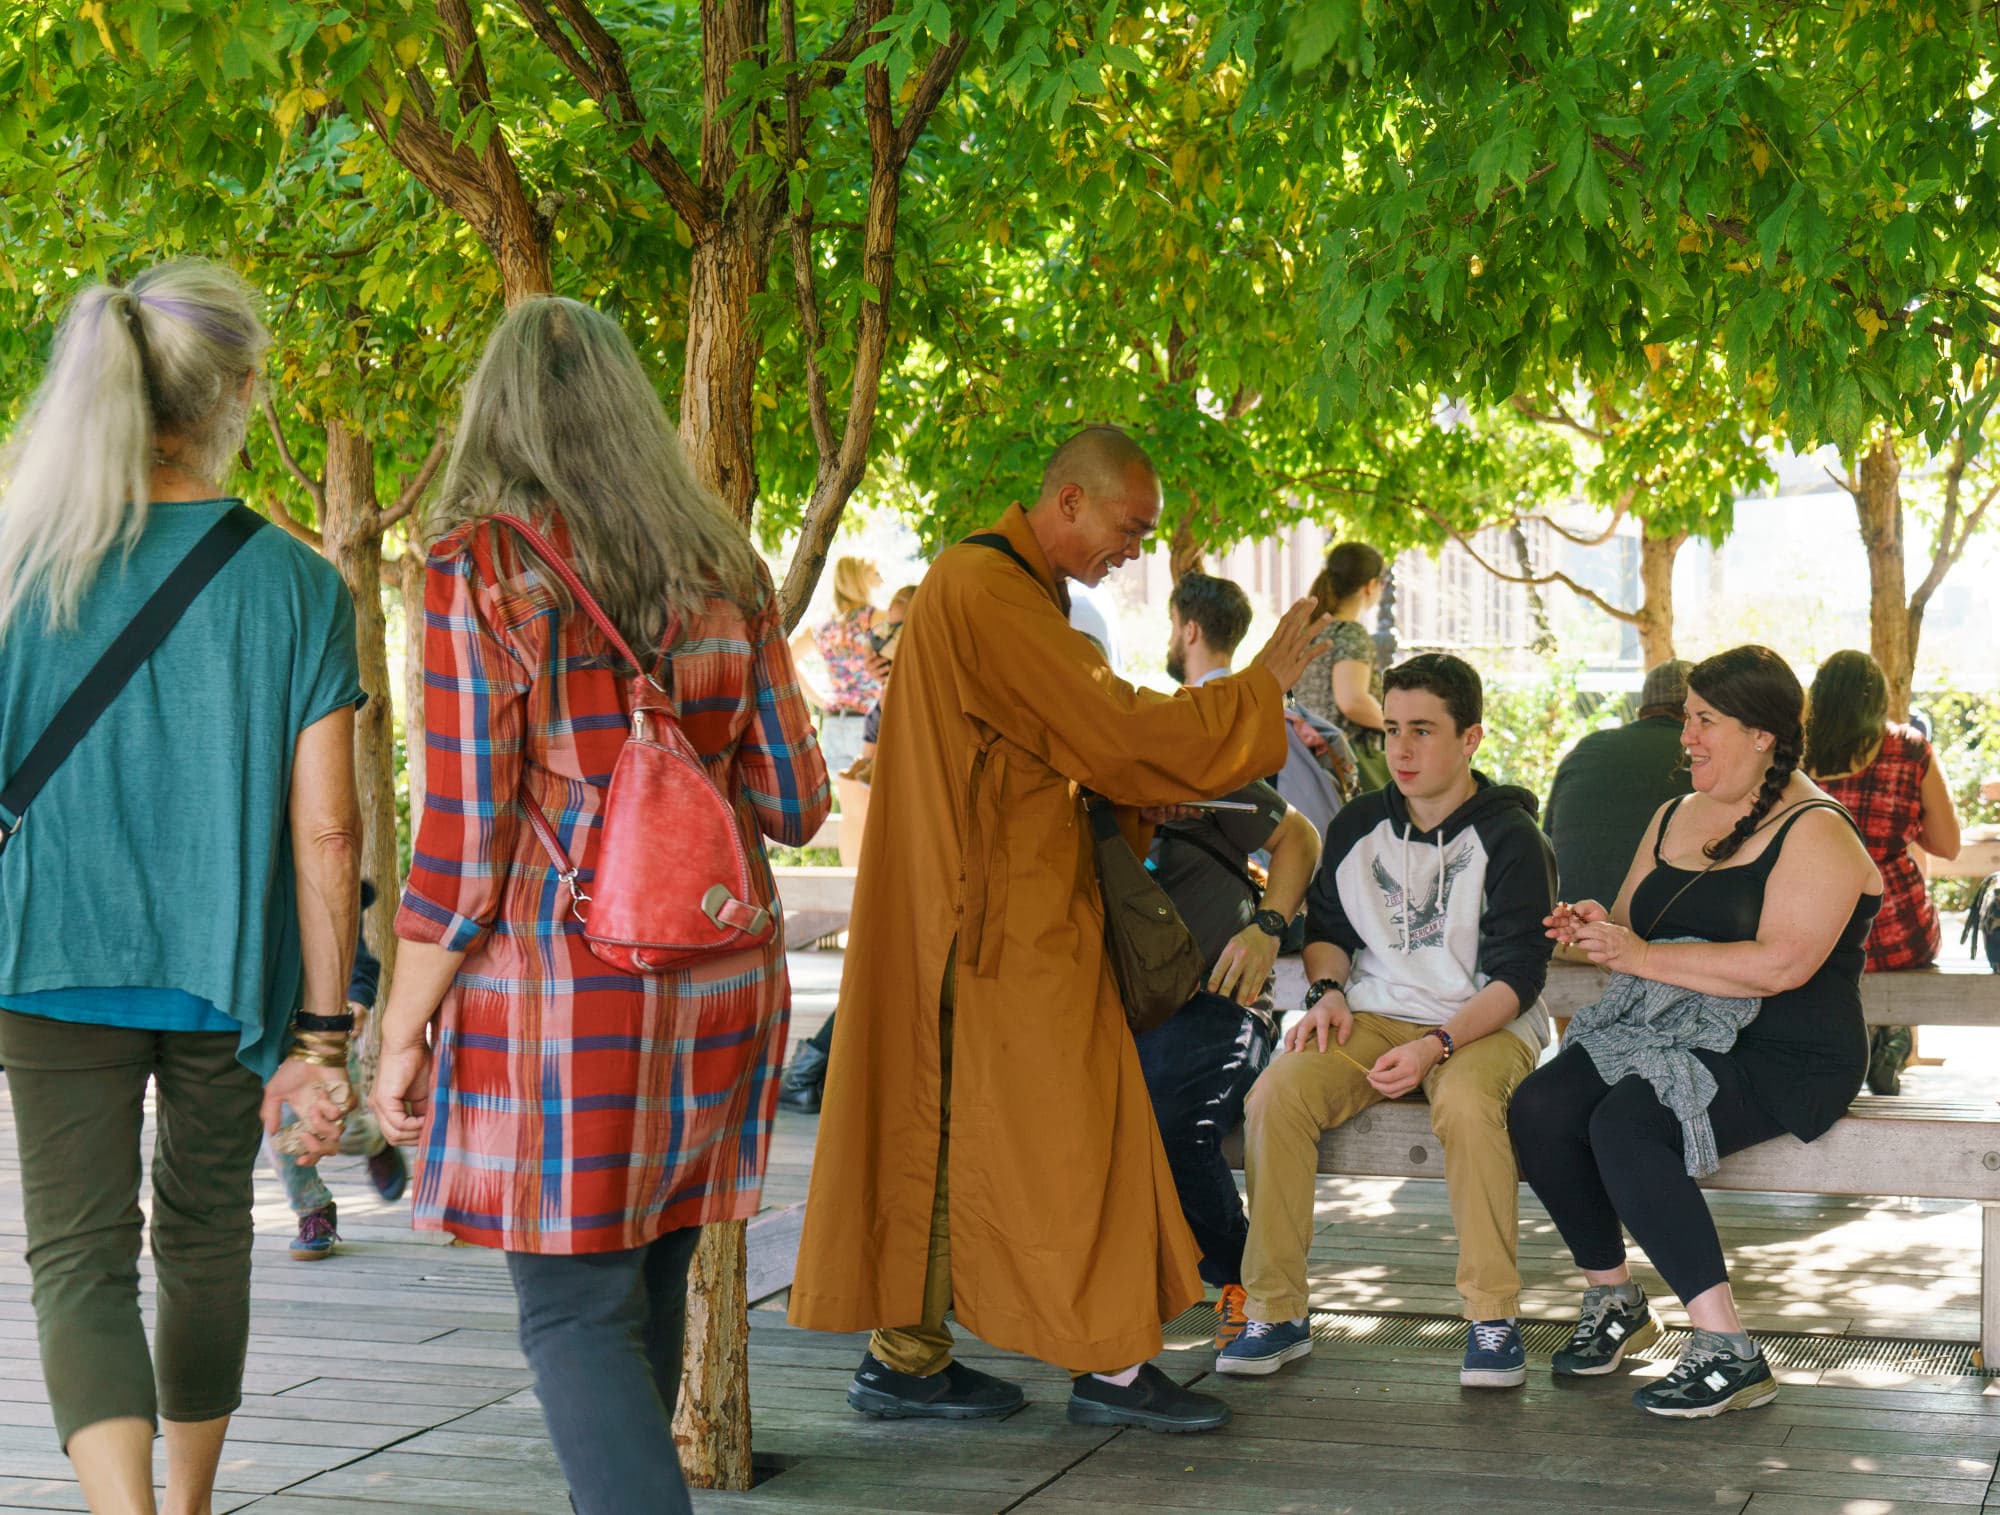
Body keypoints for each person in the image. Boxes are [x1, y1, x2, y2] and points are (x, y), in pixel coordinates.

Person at [369, 296, 830, 1515]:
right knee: (638, 1291)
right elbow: (795, 799)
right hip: (720, 981)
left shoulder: (483, 567)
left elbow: (464, 842)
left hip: (563, 989)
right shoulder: (723, 560)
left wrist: (399, 1025)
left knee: (572, 1314)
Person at [787, 424, 1328, 1435]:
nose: (1134, 552)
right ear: (1069, 501)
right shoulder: (984, 588)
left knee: (938, 1130)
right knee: (1089, 1128)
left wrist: (1129, 794)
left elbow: (1050, 758)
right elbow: (1110, 729)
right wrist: (1253, 693)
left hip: (984, 914)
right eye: (1131, 528)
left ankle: (905, 1361)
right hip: (998, 921)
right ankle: (1112, 1368)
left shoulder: (995, 591)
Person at [0, 260, 363, 1515]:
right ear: (237, 394)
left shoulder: (17, 571)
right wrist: (323, 1032)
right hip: (229, 969)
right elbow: (329, 833)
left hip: (47, 957)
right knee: (206, 1241)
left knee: (78, 1259)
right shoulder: (299, 585)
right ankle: (190, 1508)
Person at [1511, 645, 1881, 1420]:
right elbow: (1632, 920)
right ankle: (1614, 1298)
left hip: (1787, 1049)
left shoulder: (1819, 829)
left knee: (1628, 1123)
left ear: (1762, 735)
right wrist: (1595, 926)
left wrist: (1640, 953)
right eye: (1688, 719)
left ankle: (1726, 1349)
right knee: (1539, 1105)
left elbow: (1782, 965)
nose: (1688, 737)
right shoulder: (1673, 814)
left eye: (1706, 720)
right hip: (1670, 1026)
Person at [1222, 653, 1555, 1390]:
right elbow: (1327, 930)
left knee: (1469, 1103)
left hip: (1484, 1024)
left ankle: (1492, 1318)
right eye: (1393, 728)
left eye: (1423, 731)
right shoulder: (1359, 823)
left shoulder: (1510, 838)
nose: (1400, 749)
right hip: (1373, 1014)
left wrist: (1438, 1045)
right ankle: (1275, 1309)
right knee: (1274, 1095)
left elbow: (1519, 979)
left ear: (1470, 738)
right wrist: (1330, 990)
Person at [1147, 573, 1322, 1348]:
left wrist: (1268, 928)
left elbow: (1301, 838)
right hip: (1118, 1003)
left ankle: (1251, 1284)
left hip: (1218, 999)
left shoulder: (1183, 757)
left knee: (1174, 1122)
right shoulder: (1069, 782)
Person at [777, 582, 918, 1115]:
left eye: (894, 632)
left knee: (889, 966)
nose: (883, 644)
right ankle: (814, 1064)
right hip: (908, 852)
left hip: (917, 851)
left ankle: (817, 1066)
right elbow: (873, 766)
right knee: (886, 964)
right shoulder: (895, 696)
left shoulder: (919, 689)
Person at [1805, 649, 1962, 1094]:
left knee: (1837, 962)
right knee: (1894, 936)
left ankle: (1865, 1041)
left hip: (1817, 933)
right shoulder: (1909, 749)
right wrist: (1901, 830)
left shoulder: (1794, 755)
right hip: (1897, 932)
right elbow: (1948, 844)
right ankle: (1892, 1033)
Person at [269, 884, 412, 1261]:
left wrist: (355, 1003)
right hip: (265, 1031)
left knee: (336, 1125)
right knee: (280, 1131)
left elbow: (356, 961)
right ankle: (312, 1209)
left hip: (323, 1029)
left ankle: (373, 1141)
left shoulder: (321, 888)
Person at [1545, 660, 1696, 912]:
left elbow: (1547, 839)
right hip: (1654, 932)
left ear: (1640, 711)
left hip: (1568, 925)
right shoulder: (1702, 756)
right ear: (1692, 713)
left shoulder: (1587, 749)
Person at [1294, 541, 1388, 789]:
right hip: (1346, 763)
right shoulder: (1350, 633)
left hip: (1304, 760)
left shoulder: (1307, 632)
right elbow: (1352, 701)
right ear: (1370, 586)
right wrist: (1395, 725)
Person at [793, 555, 889, 775]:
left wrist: (822, 700)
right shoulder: (876, 618)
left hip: (835, 723)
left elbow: (787, 660)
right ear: (860, 579)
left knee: (850, 804)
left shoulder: (824, 626)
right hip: (869, 725)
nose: (882, 580)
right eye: (875, 573)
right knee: (875, 804)